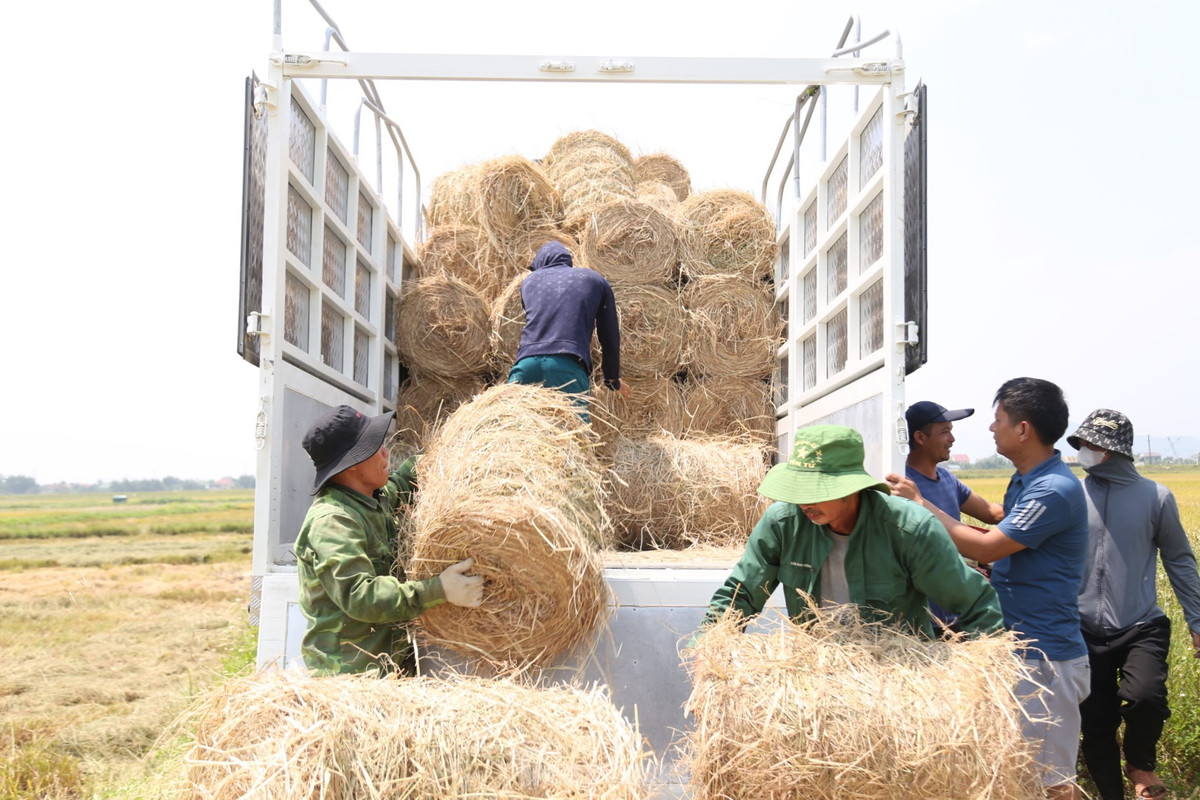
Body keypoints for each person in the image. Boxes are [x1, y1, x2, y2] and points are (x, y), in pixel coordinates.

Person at [887, 377, 1090, 800]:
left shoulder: (1052, 490)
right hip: (1017, 646)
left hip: (1044, 656)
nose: (992, 428)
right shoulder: (1025, 481)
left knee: (1051, 781)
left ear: (1023, 429)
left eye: (999, 420)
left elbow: (987, 547)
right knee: (1017, 773)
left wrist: (920, 504)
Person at [701, 424, 1004, 639]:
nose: (804, 502)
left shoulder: (909, 529)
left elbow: (978, 605)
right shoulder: (782, 524)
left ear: (852, 487)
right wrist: (709, 647)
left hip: (895, 678)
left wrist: (978, 678)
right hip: (815, 674)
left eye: (816, 490)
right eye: (798, 489)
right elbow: (738, 596)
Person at [294, 404, 484, 675]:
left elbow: (403, 482)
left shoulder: (370, 498)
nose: (385, 452)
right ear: (352, 464)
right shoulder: (333, 523)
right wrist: (440, 589)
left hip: (389, 665)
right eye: (374, 447)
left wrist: (451, 447)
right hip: (351, 675)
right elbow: (361, 597)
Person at [1069, 409, 1200, 800]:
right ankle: (1113, 793)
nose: (1082, 451)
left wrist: (1197, 620)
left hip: (1140, 624)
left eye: (1089, 445)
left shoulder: (1156, 497)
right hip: (1081, 628)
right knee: (1096, 720)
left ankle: (1140, 764)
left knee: (1146, 697)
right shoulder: (1073, 495)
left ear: (1110, 450)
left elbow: (1179, 560)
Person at [903, 401, 1006, 634]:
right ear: (920, 437)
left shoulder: (948, 479)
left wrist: (1031, 503)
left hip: (957, 608)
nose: (952, 439)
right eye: (944, 432)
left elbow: (991, 513)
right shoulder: (903, 485)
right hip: (924, 617)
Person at [507, 240, 631, 419]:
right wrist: (612, 380)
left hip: (526, 366)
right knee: (575, 432)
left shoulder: (528, 282)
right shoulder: (594, 280)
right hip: (567, 367)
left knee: (515, 429)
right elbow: (609, 337)